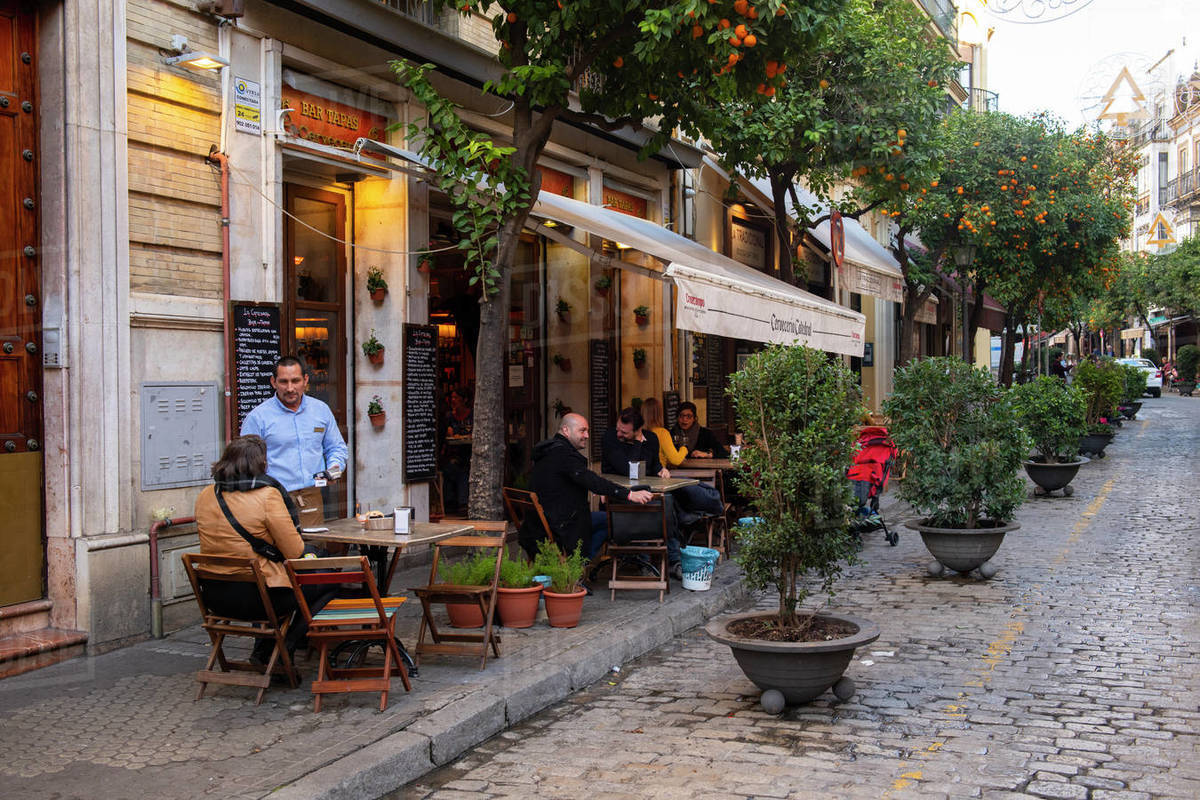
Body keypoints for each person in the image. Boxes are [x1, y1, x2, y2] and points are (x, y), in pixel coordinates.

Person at [194, 435, 335, 664]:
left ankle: (267, 648)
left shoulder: (206, 495)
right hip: (258, 598)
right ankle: (283, 648)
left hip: (214, 595)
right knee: (330, 579)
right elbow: (294, 551)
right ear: (261, 464)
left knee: (302, 576)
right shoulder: (267, 495)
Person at [519, 413, 652, 560]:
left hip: (538, 524)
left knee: (601, 519)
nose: (587, 435)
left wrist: (587, 487)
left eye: (587, 431)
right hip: (560, 526)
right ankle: (579, 564)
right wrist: (629, 494)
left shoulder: (549, 451)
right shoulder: (563, 454)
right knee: (610, 520)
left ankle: (581, 564)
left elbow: (574, 480)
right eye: (582, 431)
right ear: (566, 430)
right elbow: (590, 479)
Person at [241, 355, 348, 528]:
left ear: (305, 380)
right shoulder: (258, 417)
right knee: (279, 553)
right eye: (283, 381)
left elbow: (336, 447)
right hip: (272, 498)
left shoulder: (320, 410)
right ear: (273, 382)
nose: (290, 388)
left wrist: (333, 469)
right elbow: (244, 463)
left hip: (311, 497)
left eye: (295, 380)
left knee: (312, 550)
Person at [601, 406, 667, 479]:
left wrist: (662, 471)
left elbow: (655, 465)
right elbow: (628, 470)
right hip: (617, 487)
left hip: (646, 485)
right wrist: (638, 442)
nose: (618, 434)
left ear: (638, 430)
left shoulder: (651, 438)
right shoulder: (610, 438)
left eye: (624, 432)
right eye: (617, 429)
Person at [441, 387, 473, 515]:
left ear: (464, 400)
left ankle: (461, 503)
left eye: (456, 398)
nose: (453, 400)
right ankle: (455, 504)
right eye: (452, 398)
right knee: (452, 470)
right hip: (453, 455)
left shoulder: (472, 415)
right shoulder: (449, 416)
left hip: (469, 453)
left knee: (464, 470)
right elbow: (448, 434)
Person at [641, 398, 689, 469]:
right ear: (660, 413)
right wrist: (684, 448)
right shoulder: (662, 433)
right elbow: (676, 460)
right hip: (657, 476)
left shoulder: (637, 432)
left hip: (640, 474)